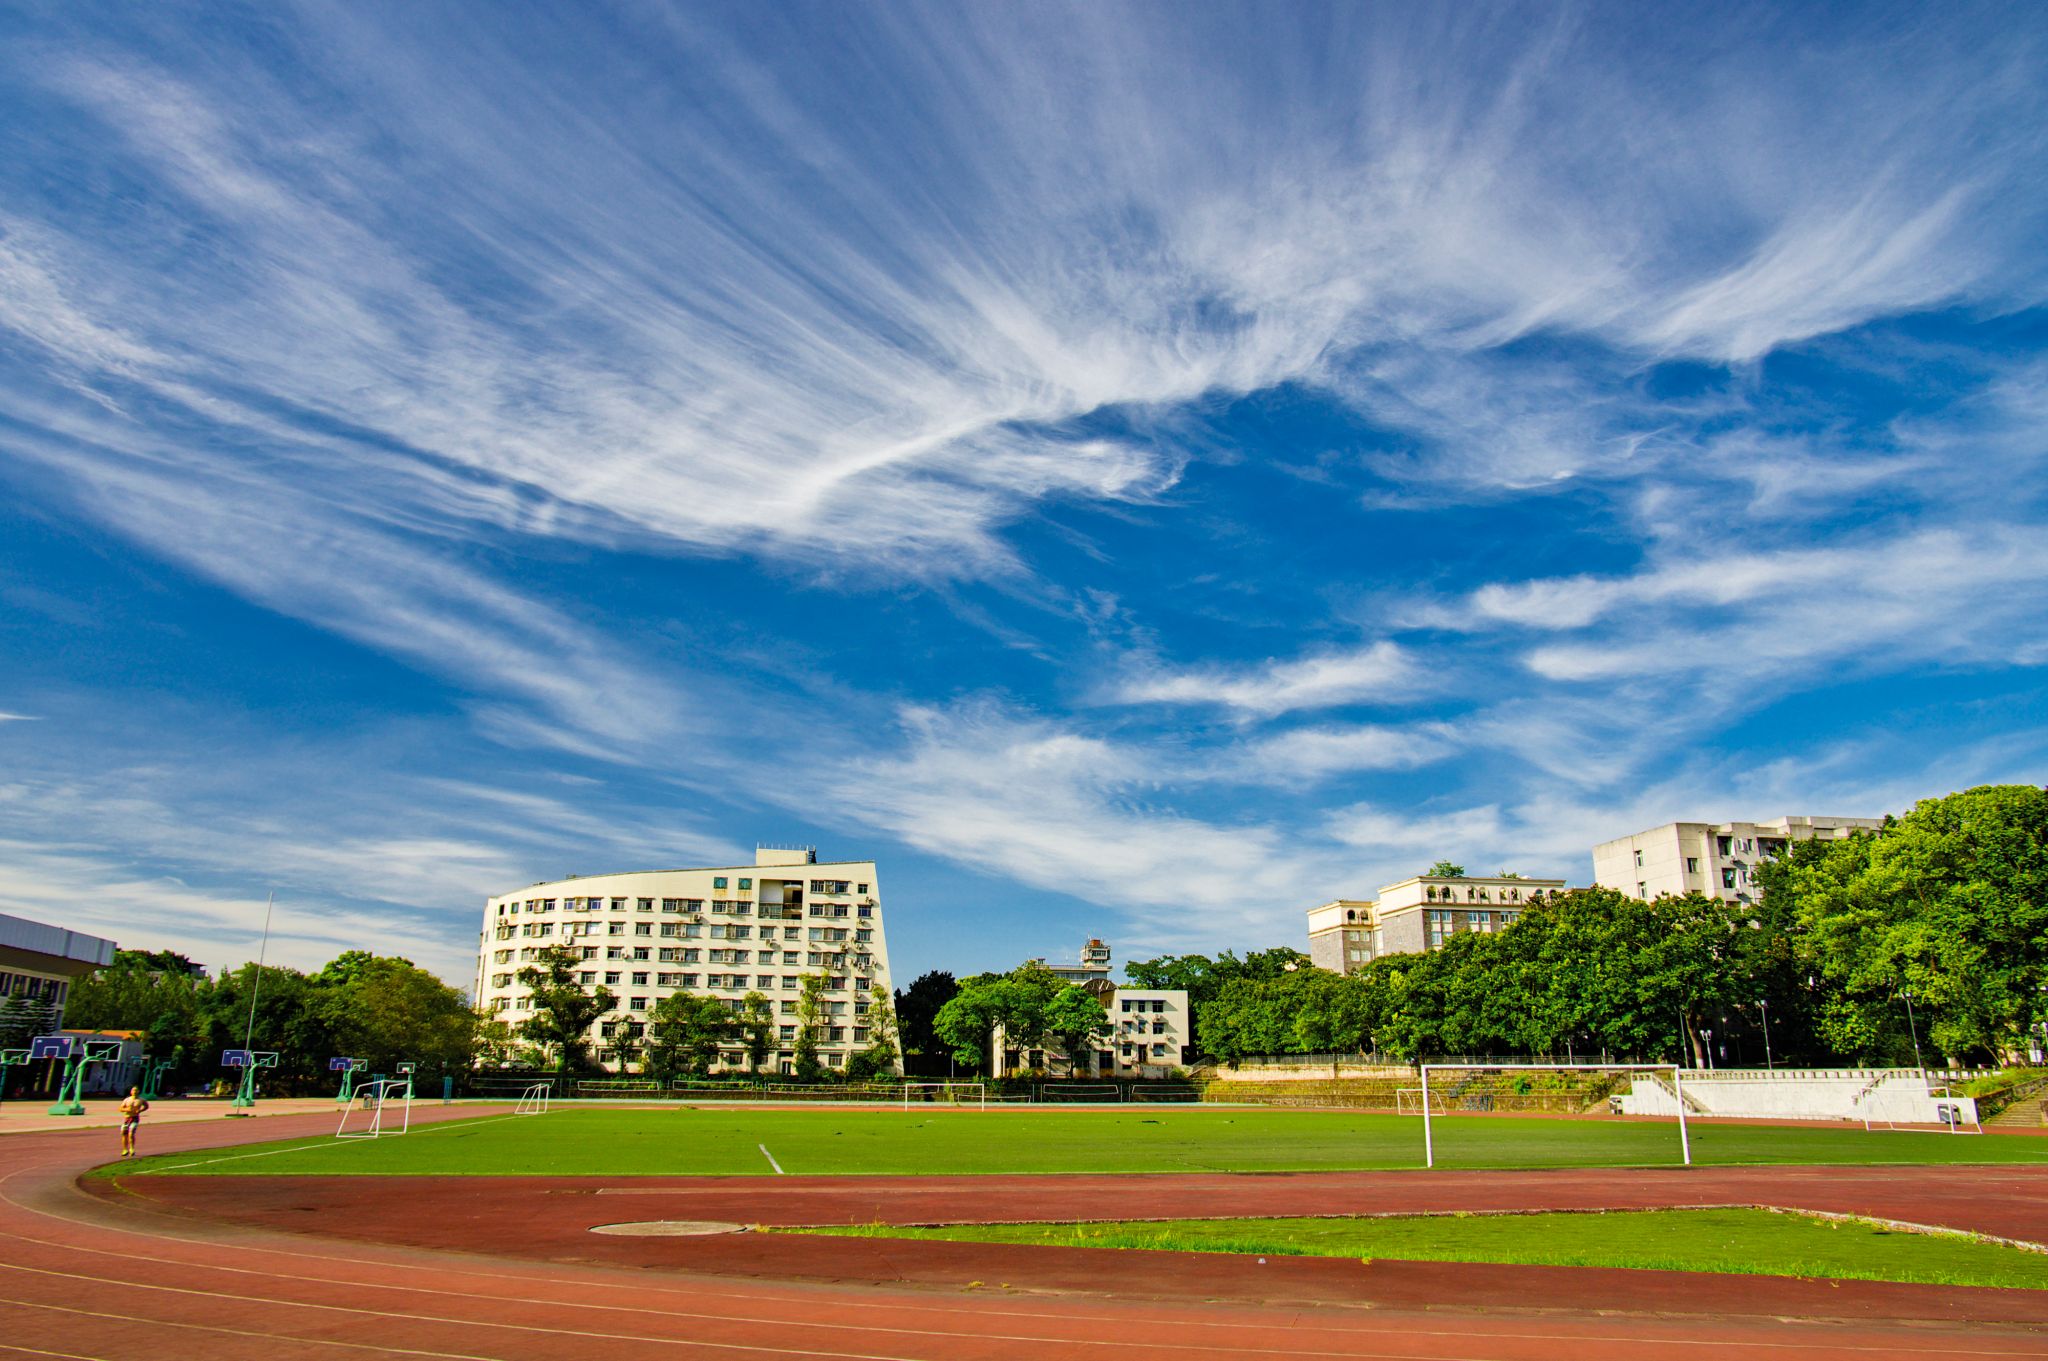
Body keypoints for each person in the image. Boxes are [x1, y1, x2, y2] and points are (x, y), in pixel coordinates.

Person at [118, 1086, 149, 1158]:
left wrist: (140, 1110)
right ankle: (125, 1149)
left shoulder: (141, 1100)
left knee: (131, 1133)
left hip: (135, 1118)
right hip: (127, 1118)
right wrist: (127, 1110)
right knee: (124, 1133)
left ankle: (132, 1148)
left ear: (138, 1091)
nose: (134, 1092)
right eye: (133, 1090)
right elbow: (120, 1108)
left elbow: (146, 1106)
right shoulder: (127, 1100)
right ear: (131, 1092)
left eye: (136, 1090)